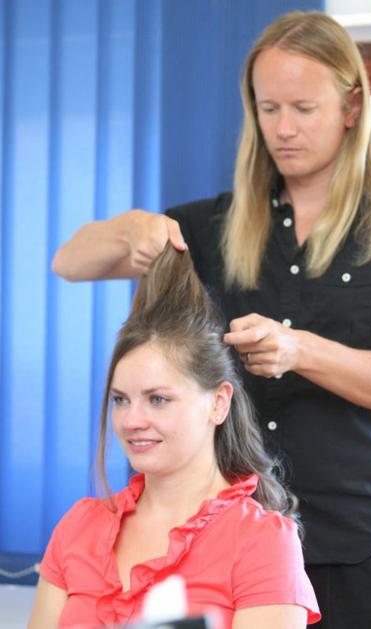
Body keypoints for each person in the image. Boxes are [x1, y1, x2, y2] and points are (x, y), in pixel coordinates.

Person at [51, 10, 371, 629]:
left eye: (303, 108)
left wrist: (300, 351)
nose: (283, 128)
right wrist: (132, 229)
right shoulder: (214, 226)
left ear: (352, 107)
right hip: (230, 547)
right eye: (268, 108)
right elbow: (70, 260)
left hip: (359, 546)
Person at [28, 244, 320, 629]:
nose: (132, 420)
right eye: (120, 399)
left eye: (158, 399)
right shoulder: (80, 526)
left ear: (218, 403)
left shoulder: (262, 542)